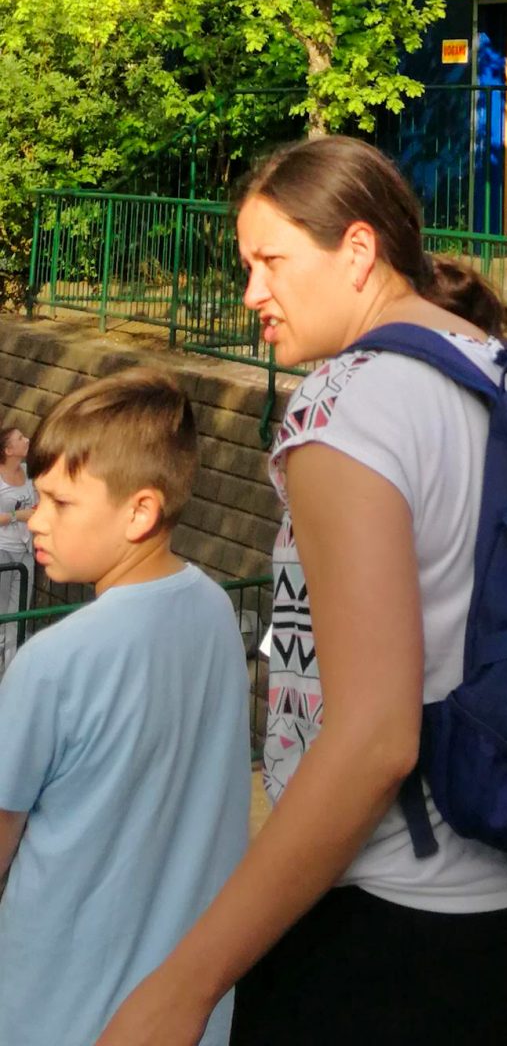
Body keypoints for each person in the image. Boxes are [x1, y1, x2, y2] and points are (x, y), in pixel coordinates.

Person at [96, 137, 507, 1046]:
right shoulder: (499, 365)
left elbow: (375, 740)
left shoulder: (344, 407)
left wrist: (187, 984)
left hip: (400, 923)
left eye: (270, 261)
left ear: (359, 251)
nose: (251, 292)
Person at [0, 370, 251, 1046]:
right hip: (189, 1018)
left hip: (50, 1018)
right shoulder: (216, 611)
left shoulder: (52, 662)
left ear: (139, 512)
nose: (36, 518)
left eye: (60, 502)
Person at [0, 423, 36, 675]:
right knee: (2, 615)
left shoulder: (27, 473)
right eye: (20, 438)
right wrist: (17, 515)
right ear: (8, 449)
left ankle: (10, 677)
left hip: (26, 552)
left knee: (18, 615)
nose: (27, 440)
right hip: (3, 552)